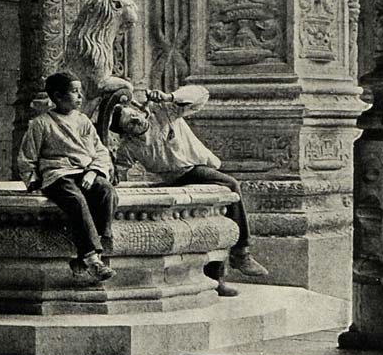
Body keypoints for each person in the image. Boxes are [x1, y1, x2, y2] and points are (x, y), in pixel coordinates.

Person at [110, 84, 269, 284]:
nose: (137, 121)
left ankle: (241, 252)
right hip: (172, 180)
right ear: (127, 134)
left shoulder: (164, 113)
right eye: (130, 124)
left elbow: (202, 95)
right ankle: (218, 279)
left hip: (195, 170)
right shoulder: (129, 147)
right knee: (209, 216)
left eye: (134, 115)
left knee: (230, 186)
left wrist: (170, 97)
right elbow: (119, 170)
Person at [17, 72, 116, 283]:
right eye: (74, 92)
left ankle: (98, 245)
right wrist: (33, 181)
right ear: (58, 96)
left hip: (84, 171)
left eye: (80, 92)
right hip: (57, 174)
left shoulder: (83, 121)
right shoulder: (41, 123)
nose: (80, 96)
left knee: (106, 189)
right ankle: (92, 259)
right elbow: (27, 157)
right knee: (76, 199)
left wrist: (93, 171)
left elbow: (100, 151)